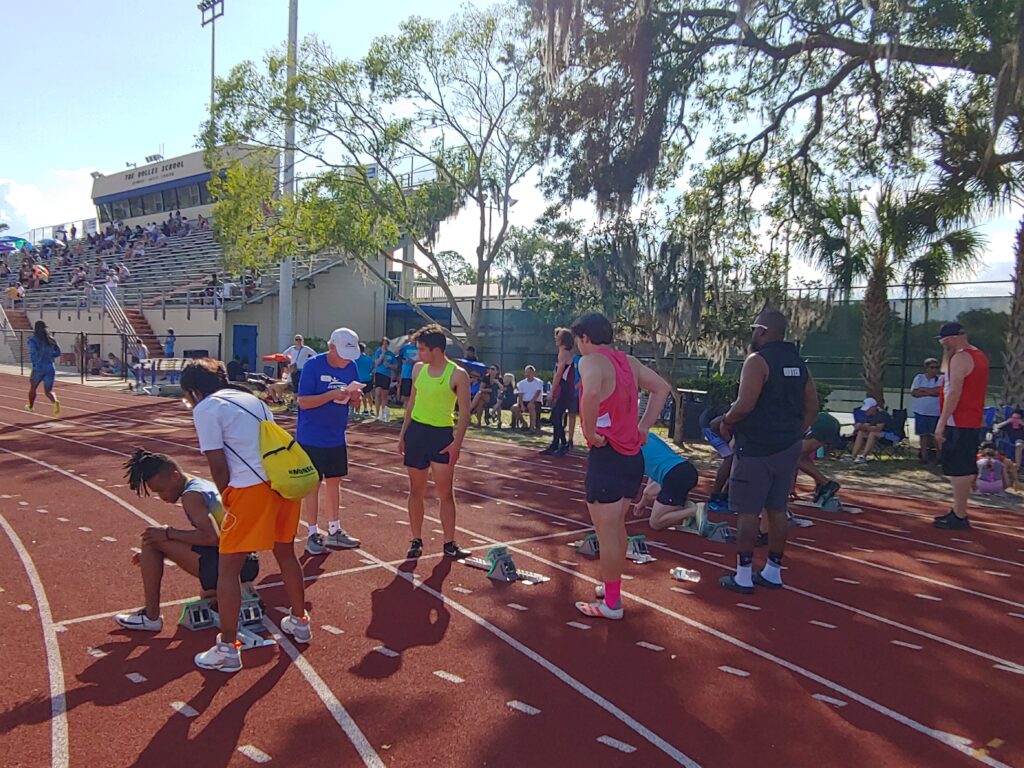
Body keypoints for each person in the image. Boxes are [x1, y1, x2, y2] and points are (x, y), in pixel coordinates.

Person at [181, 359, 311, 672]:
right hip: (280, 484)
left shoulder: (206, 409)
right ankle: (300, 621)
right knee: (285, 553)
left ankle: (227, 648)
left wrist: (226, 497)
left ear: (194, 391)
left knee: (229, 568)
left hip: (248, 490)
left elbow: (217, 463)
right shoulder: (250, 398)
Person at [572, 313, 671, 620]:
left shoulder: (589, 362)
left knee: (607, 532)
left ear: (585, 338)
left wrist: (588, 432)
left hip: (609, 455)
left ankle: (612, 603)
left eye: (578, 341)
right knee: (617, 528)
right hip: (632, 457)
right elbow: (662, 389)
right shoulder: (629, 362)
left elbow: (589, 393)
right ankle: (611, 586)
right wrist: (643, 427)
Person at [712, 310, 817, 594]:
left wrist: (727, 421)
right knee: (777, 510)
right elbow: (812, 406)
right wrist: (794, 433)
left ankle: (743, 574)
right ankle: (773, 570)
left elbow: (745, 404)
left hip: (756, 447)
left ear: (762, 331)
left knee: (748, 512)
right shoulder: (799, 363)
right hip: (787, 447)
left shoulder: (757, 361)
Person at [114, 449, 259, 631]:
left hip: (231, 565)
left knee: (151, 539)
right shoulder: (199, 483)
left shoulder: (191, 496)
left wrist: (168, 534)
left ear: (174, 476)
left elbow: (212, 537)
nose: (162, 497)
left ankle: (151, 616)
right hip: (247, 559)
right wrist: (167, 550)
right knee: (158, 542)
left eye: (161, 490)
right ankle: (224, 592)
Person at [398, 325, 472, 560]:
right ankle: (416, 539)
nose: (418, 354)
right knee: (415, 491)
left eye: (422, 349)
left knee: (445, 493)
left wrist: (456, 444)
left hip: (441, 436)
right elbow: (411, 403)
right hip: (417, 433)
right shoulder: (418, 369)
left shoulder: (457, 374)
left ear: (436, 350)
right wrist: (402, 434)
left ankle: (449, 542)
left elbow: (465, 413)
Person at [296, 328, 364, 555]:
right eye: (343, 354)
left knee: (335, 482)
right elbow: (303, 402)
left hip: (336, 435)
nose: (346, 361)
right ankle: (312, 533)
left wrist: (355, 397)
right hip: (311, 436)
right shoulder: (313, 365)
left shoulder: (352, 367)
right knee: (312, 486)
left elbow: (355, 406)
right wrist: (330, 396)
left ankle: (335, 530)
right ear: (332, 347)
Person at [933, 322, 990, 530]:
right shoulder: (979, 355)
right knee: (961, 465)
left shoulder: (961, 358)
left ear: (951, 339)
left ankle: (960, 514)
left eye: (944, 341)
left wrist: (941, 422)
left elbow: (954, 392)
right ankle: (958, 509)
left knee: (958, 468)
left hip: (959, 420)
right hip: (969, 418)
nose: (943, 345)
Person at [631, 433, 699, 530]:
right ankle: (681, 506)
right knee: (648, 493)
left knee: (656, 523)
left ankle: (694, 511)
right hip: (686, 469)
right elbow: (654, 471)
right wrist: (642, 503)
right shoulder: (647, 434)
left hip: (674, 476)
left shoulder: (626, 444)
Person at [542, 328, 578, 455]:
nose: (556, 338)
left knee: (556, 416)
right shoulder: (563, 353)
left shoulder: (564, 353)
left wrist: (551, 392)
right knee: (555, 416)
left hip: (565, 389)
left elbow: (559, 375)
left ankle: (563, 444)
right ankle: (555, 444)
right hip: (563, 388)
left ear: (564, 340)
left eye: (559, 336)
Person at [799, 410, 841, 505]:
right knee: (798, 456)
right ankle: (822, 483)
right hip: (823, 421)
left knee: (793, 455)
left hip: (820, 423)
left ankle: (825, 483)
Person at [911, 358, 942, 463]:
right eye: (932, 367)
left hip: (936, 412)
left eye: (937, 368)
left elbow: (938, 392)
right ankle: (924, 457)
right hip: (921, 411)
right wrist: (931, 392)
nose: (935, 370)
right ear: (926, 368)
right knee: (923, 435)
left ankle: (939, 458)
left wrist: (924, 390)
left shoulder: (941, 379)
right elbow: (914, 392)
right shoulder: (919, 378)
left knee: (936, 436)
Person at [26, 321, 61, 416]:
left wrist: (35, 366)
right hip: (50, 367)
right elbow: (58, 352)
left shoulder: (33, 340)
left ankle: (30, 406)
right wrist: (50, 356)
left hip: (39, 367)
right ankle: (55, 402)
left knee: (33, 388)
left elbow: (33, 354)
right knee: (48, 391)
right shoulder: (51, 339)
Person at [847, 397, 887, 464]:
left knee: (872, 433)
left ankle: (863, 456)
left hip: (888, 434)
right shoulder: (869, 415)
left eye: (868, 409)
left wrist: (865, 426)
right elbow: (867, 427)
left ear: (873, 408)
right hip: (876, 433)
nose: (866, 411)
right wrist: (859, 427)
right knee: (861, 432)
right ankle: (853, 456)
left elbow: (878, 428)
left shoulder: (881, 414)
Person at [372, 338, 397, 421]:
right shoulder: (378, 352)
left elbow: (395, 366)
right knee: (378, 392)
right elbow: (376, 363)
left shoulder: (391, 354)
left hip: (387, 375)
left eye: (386, 344)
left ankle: (384, 414)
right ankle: (377, 413)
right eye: (383, 344)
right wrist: (382, 354)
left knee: (384, 395)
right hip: (379, 373)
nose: (385, 345)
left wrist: (389, 365)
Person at [516, 366, 545, 433]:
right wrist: (522, 405)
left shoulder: (539, 382)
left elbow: (538, 393)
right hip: (524, 401)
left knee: (530, 406)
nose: (527, 374)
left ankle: (532, 428)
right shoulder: (521, 383)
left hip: (536, 402)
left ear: (533, 373)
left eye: (529, 372)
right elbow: (520, 395)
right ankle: (524, 423)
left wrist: (532, 402)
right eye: (526, 372)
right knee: (514, 408)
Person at [397, 333, 420, 407]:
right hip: (406, 374)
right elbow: (397, 352)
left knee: (413, 395)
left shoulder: (419, 348)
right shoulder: (406, 347)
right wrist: (403, 343)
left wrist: (413, 361)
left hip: (415, 375)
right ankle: (406, 413)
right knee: (405, 396)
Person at [355, 342, 375, 416]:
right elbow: (372, 366)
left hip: (360, 378)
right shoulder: (368, 358)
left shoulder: (357, 359)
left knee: (361, 394)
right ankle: (371, 409)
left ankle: (364, 409)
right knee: (369, 394)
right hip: (368, 377)